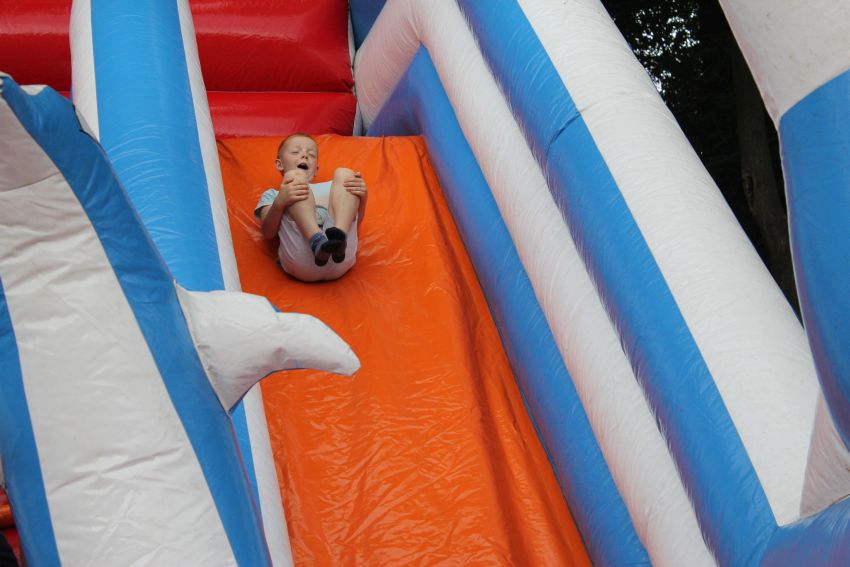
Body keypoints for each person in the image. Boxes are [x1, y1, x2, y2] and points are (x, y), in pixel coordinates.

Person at [255, 133, 368, 282]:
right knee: (295, 179)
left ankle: (338, 238)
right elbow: (268, 233)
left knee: (345, 174)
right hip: (301, 258)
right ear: (279, 164)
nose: (304, 156)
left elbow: (355, 224)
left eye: (311, 154)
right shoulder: (275, 194)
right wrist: (279, 202)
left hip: (341, 256)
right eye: (295, 152)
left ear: (316, 169)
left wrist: (362, 198)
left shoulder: (333, 187)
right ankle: (316, 240)